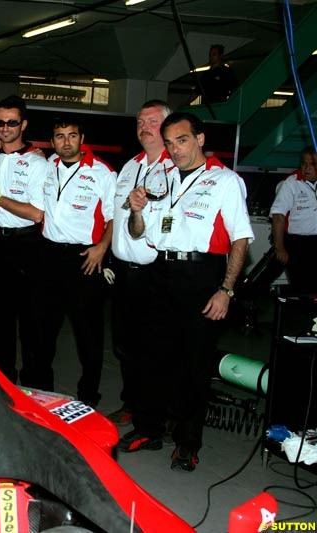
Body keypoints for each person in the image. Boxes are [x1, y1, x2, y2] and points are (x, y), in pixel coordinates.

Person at [124, 112, 253, 471]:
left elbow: (241, 238)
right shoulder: (159, 178)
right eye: (169, 142)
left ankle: (187, 443)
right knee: (151, 357)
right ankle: (149, 429)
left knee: (193, 365)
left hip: (201, 274)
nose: (175, 149)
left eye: (181, 140)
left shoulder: (225, 181)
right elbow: (138, 232)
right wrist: (136, 210)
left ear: (200, 139)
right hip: (159, 268)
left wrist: (226, 289)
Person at [38, 116, 116, 406]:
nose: (66, 142)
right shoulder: (46, 166)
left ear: (82, 138)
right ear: (52, 141)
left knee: (88, 335)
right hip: (48, 255)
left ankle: (88, 397)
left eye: (72, 135)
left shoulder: (103, 172)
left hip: (85, 258)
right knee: (43, 331)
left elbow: (113, 217)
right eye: (60, 136)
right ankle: (42, 393)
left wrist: (102, 247)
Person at [106, 100, 174, 426]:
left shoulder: (175, 169)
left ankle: (153, 415)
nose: (144, 127)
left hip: (154, 272)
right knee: (125, 344)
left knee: (153, 348)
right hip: (123, 271)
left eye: (152, 121)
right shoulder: (130, 166)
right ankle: (131, 403)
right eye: (140, 122)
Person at [0, 95, 47, 384]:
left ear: (24, 124)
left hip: (27, 246)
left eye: (12, 122)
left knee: (30, 322)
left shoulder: (37, 163)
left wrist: (0, 200)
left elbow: (36, 213)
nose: (5, 128)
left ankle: (33, 385)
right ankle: (5, 380)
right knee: (1, 321)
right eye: (0, 122)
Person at [270, 147, 317, 294]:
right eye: (304, 163)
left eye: (313, 164)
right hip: (296, 242)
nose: (307, 168)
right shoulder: (291, 183)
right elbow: (278, 216)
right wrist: (280, 247)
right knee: (303, 287)